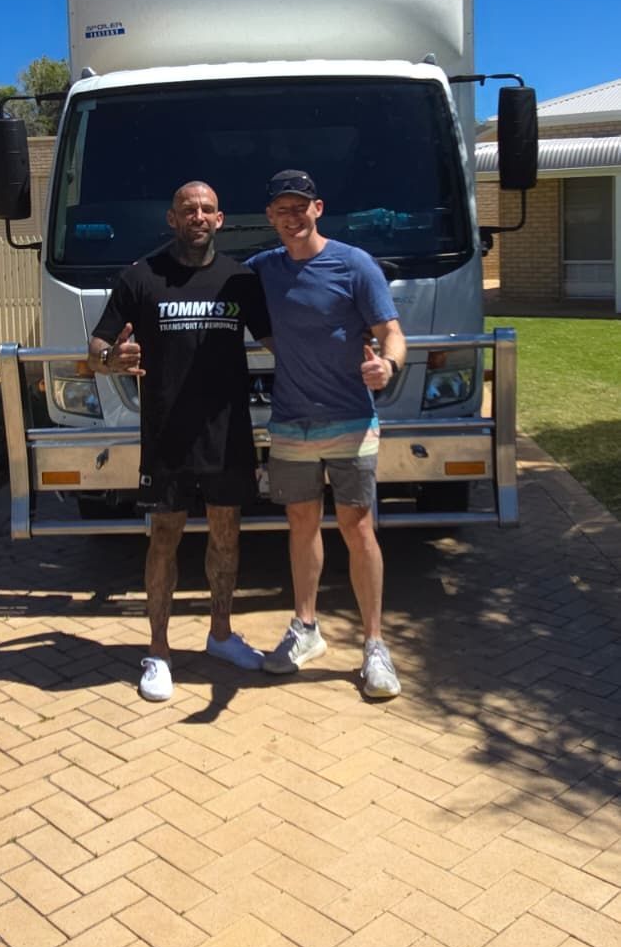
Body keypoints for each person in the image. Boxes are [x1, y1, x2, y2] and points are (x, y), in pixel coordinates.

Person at [89, 180, 271, 703]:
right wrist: (109, 360)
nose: (198, 216)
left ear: (220, 219)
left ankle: (219, 635)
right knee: (163, 539)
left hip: (227, 434)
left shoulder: (241, 280)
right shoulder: (140, 277)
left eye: (207, 209)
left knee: (227, 536)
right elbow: (99, 342)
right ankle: (159, 651)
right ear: (172, 219)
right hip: (166, 436)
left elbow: (282, 341)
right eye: (188, 209)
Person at [247, 169, 406, 699]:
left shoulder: (354, 264)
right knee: (301, 524)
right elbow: (206, 281)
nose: (291, 218)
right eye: (281, 210)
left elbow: (391, 332)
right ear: (270, 217)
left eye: (300, 207)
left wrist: (388, 366)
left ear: (319, 208)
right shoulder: (263, 269)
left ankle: (375, 646)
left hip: (351, 420)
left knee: (358, 527)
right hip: (291, 421)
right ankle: (305, 628)